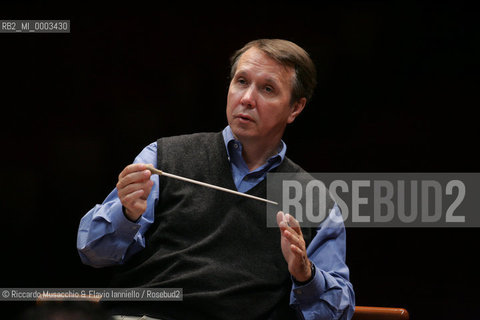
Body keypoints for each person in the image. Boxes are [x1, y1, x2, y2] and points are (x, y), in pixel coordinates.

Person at [77, 39, 355, 320]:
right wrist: (127, 216)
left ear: (295, 108)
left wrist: (306, 275)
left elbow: (339, 309)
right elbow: (92, 252)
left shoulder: (314, 199)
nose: (247, 98)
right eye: (241, 81)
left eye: (267, 89)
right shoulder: (162, 158)